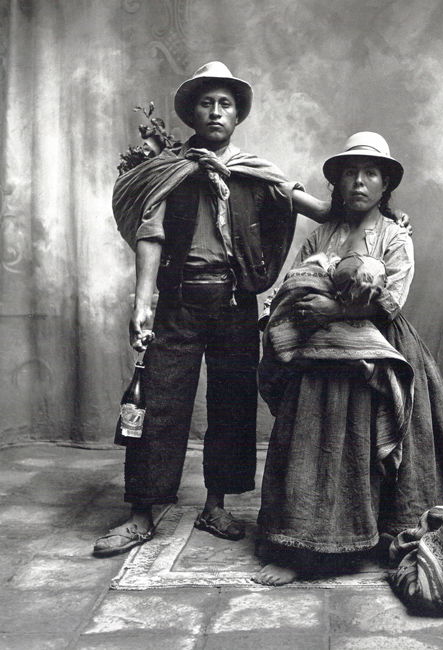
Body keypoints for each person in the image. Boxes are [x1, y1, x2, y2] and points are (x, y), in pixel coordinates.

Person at [93, 61, 330, 557]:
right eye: (207, 102)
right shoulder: (169, 171)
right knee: (157, 404)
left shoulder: (256, 174)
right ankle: (141, 514)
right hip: (177, 302)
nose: (216, 111)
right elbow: (150, 235)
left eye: (225, 103)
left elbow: (323, 212)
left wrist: (388, 213)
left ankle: (216, 505)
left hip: (234, 304)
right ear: (192, 113)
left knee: (232, 405)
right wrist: (142, 303)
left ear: (238, 115)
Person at [253, 132, 443, 585]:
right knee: (315, 439)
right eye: (350, 172)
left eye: (370, 173)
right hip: (320, 349)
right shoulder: (322, 233)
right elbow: (299, 279)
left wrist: (337, 307)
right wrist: (304, 301)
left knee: (374, 443)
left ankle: (380, 534)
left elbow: (392, 299)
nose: (359, 182)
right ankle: (305, 547)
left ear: (385, 185)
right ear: (337, 182)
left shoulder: (395, 236)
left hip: (378, 351)